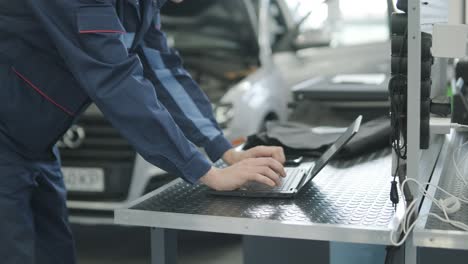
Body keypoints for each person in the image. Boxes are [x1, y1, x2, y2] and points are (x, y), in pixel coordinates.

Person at [0, 0, 286, 263]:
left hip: (35, 143)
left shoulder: (142, 4)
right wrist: (207, 173)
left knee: (54, 251)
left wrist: (224, 151)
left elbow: (163, 71)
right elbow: (114, 77)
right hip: (6, 139)